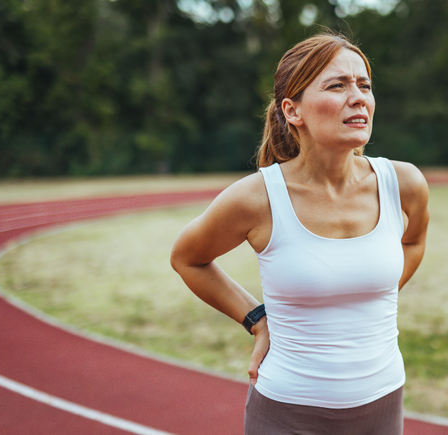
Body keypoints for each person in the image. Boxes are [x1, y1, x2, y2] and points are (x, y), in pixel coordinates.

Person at [170, 31, 429, 435]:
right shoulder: (257, 197)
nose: (358, 96)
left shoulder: (404, 183)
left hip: (383, 406)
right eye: (337, 85)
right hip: (288, 414)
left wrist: (366, 293)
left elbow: (413, 242)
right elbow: (187, 258)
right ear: (293, 111)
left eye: (364, 85)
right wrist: (257, 320)